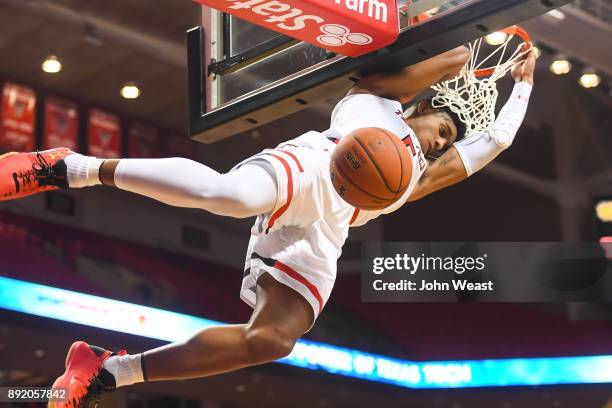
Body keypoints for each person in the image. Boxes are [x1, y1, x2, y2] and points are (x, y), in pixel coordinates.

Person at [0, 45, 536, 408]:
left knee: (273, 341)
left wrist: (524, 88)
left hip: (328, 231)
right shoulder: (375, 103)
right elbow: (443, 61)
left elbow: (496, 142)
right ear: (421, 108)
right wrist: (466, 48)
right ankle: (65, 167)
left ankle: (108, 371)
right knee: (229, 195)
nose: (442, 142)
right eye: (442, 127)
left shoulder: (416, 177)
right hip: (310, 169)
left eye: (448, 140)